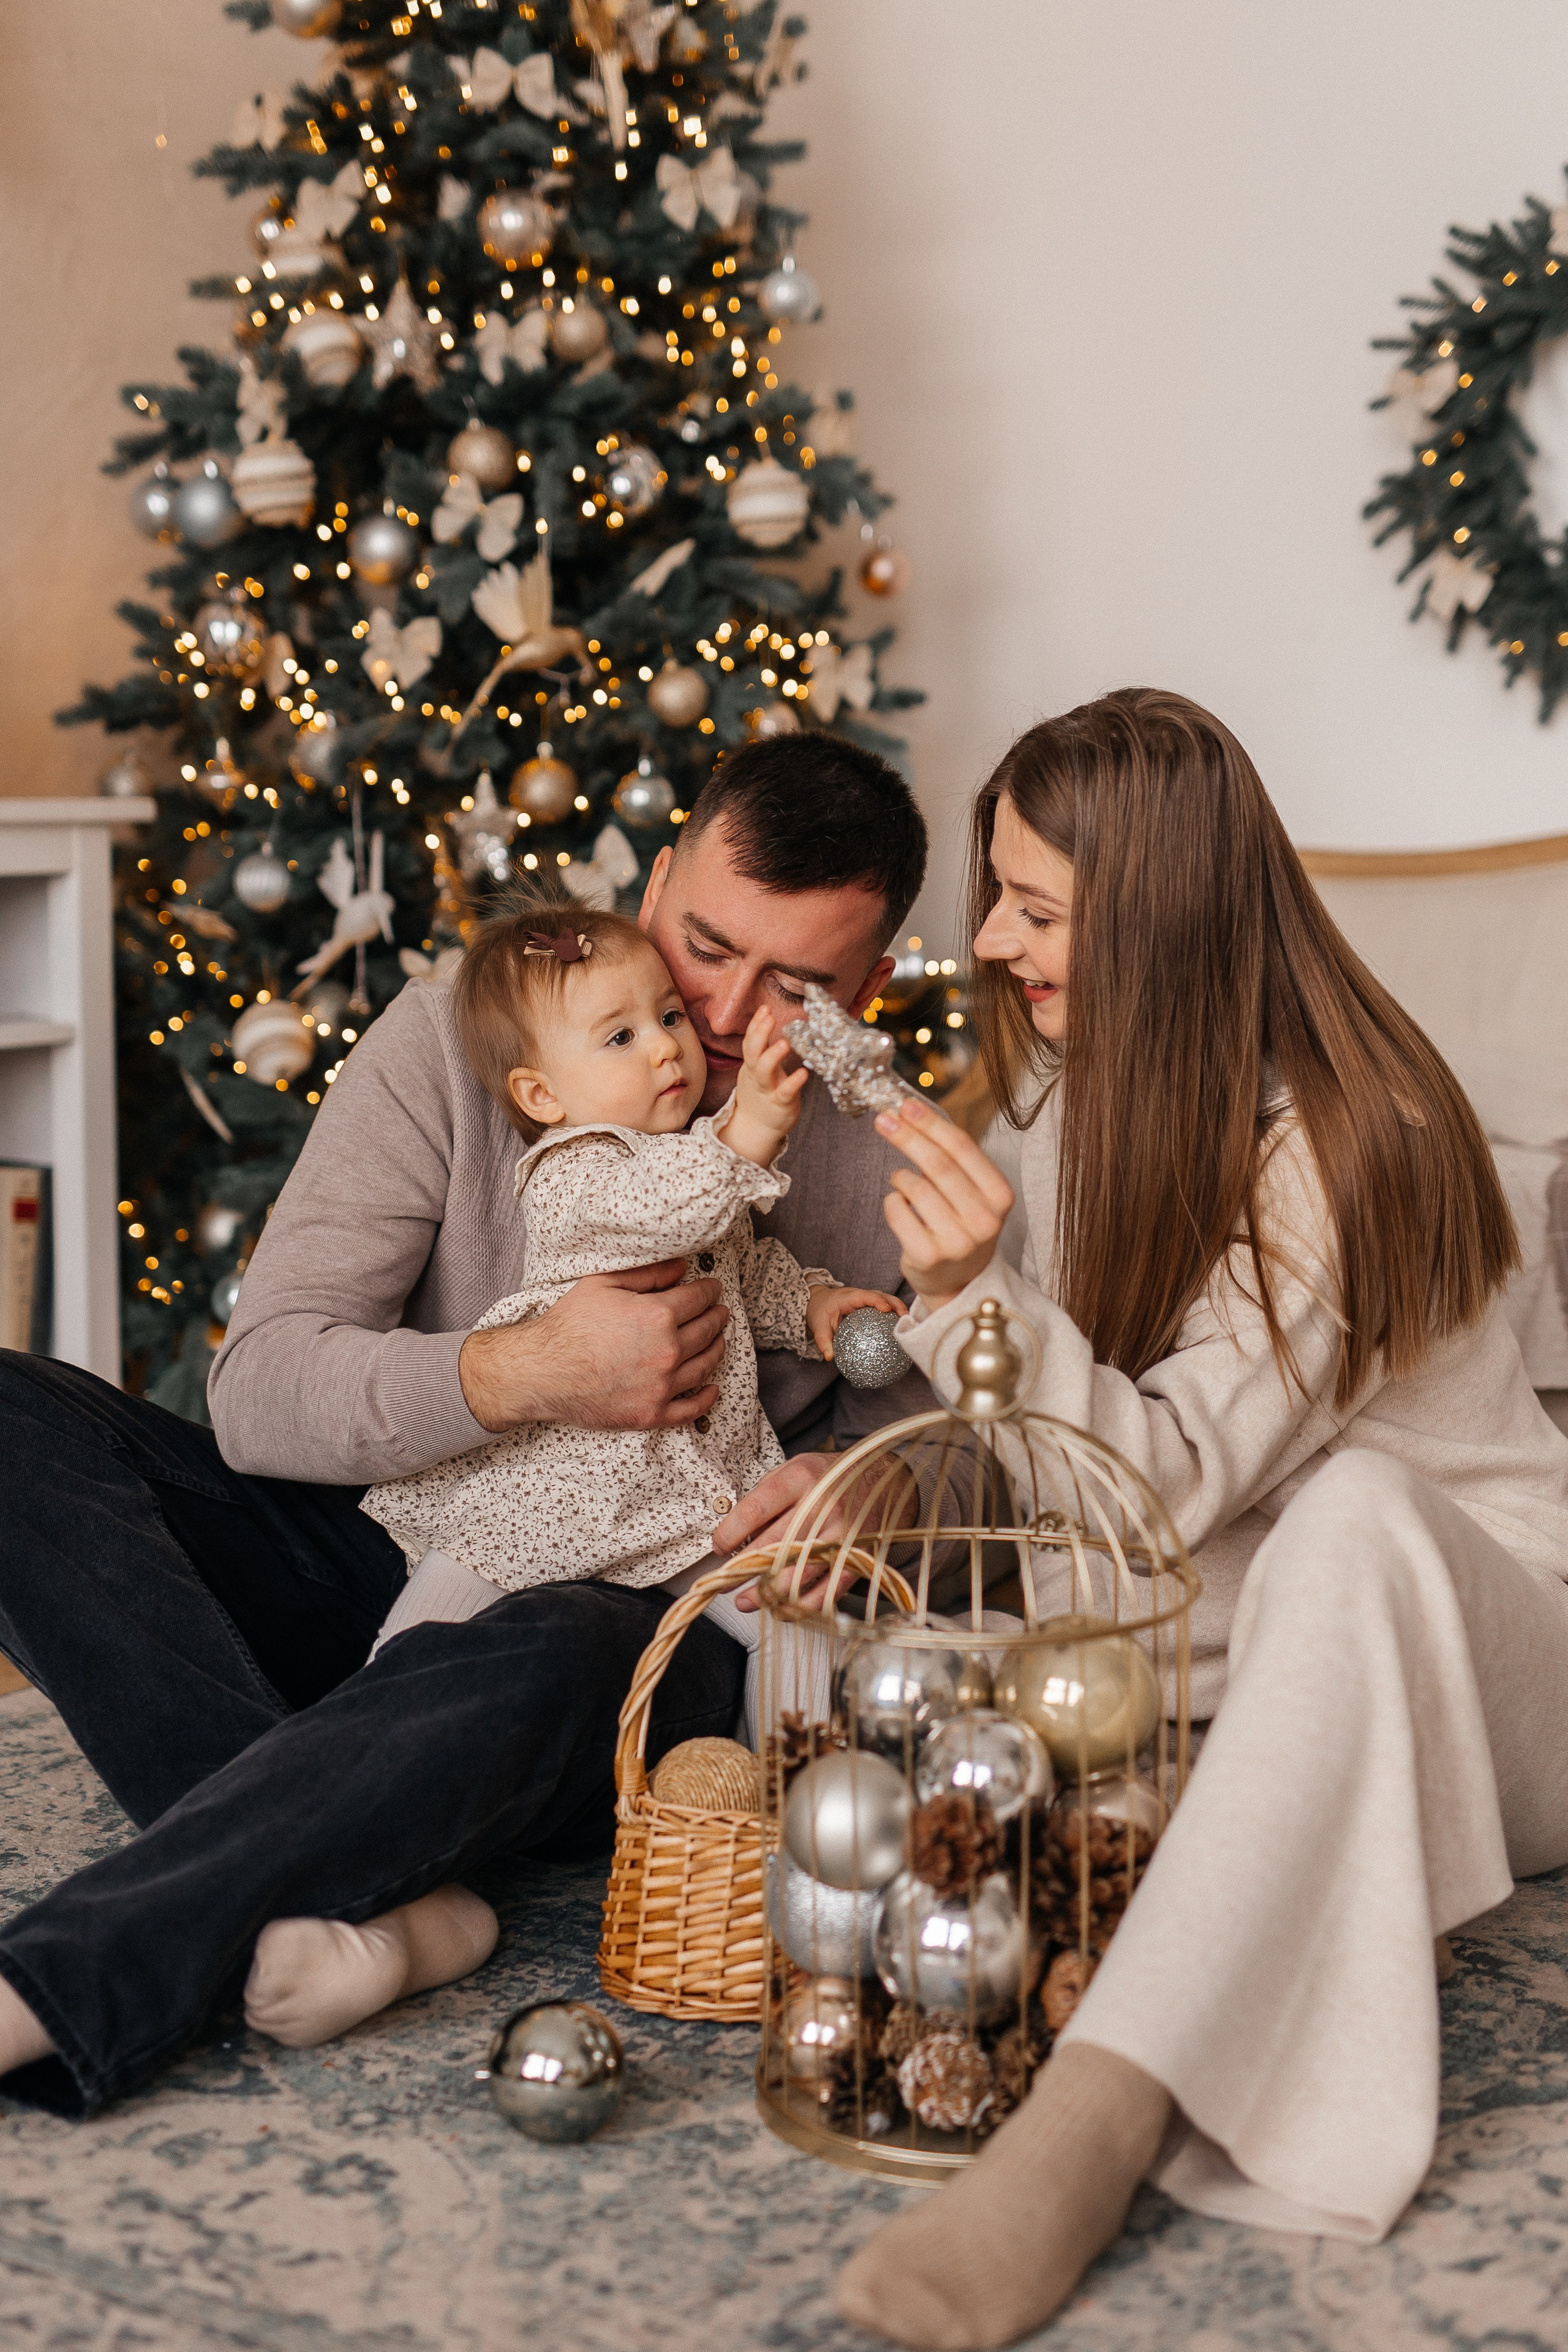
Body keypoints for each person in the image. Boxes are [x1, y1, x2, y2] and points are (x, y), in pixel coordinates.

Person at [0, 734, 933, 2111]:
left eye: (796, 986)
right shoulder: (454, 1038)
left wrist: (845, 1489)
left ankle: (56, 1983)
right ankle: (390, 1870)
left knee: (550, 1635)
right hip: (410, 1546)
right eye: (702, 945)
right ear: (658, 876)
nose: (723, 1019)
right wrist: (526, 1372)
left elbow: (912, 1468)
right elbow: (256, 1393)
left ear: (873, 985)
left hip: (627, 1618)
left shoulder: (882, 1158)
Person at [834, 688, 1568, 2351]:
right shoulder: (1085, 1096)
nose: (992, 939)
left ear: (1156, 922)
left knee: (1363, 1510)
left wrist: (971, 1306)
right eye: (998, 890)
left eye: (1037, 907)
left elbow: (1154, 1494)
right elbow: (1099, 1513)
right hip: (1251, 1639)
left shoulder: (1355, 1140)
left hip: (1507, 1666)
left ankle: (1089, 2136)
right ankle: (1321, 1879)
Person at [360, 895, 899, 1716]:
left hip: (681, 1497)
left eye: (668, 1016)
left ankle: (783, 1795)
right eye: (620, 1037)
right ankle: (357, 1747)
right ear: (541, 1095)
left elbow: (743, 1273)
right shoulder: (572, 1173)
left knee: (792, 1616)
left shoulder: (694, 1162)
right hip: (552, 1496)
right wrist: (751, 1124)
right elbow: (669, 1211)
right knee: (423, 1649)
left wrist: (814, 1304)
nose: (665, 1047)